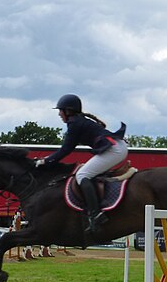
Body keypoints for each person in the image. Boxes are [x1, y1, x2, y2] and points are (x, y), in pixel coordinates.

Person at [36, 94, 127, 234]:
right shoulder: (78, 121)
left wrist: (45, 161)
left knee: (82, 175)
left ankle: (96, 214)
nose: (59, 114)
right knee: (85, 172)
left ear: (68, 111)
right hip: (116, 147)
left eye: (60, 110)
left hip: (114, 150)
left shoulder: (74, 124)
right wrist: (48, 158)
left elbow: (66, 149)